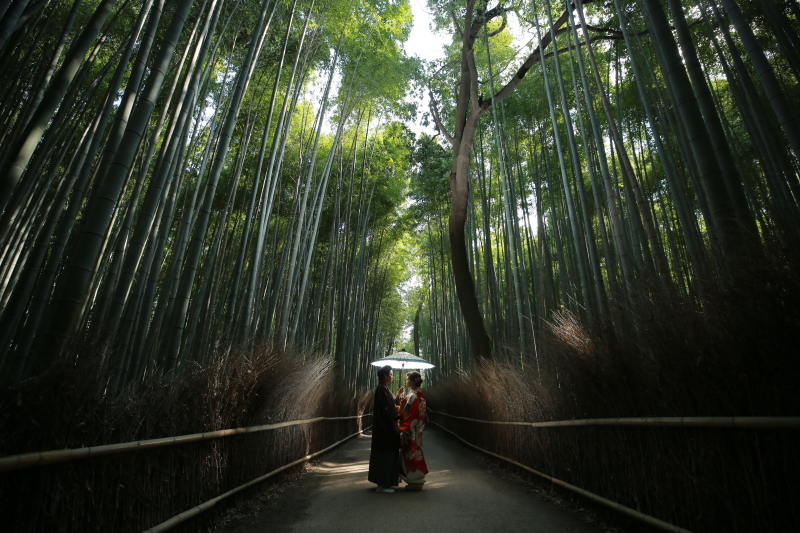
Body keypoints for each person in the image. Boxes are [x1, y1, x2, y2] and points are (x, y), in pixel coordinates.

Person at [368, 365, 404, 493]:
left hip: (386, 429)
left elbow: (392, 404)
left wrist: (398, 395)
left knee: (389, 455)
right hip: (385, 430)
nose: (392, 377)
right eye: (391, 374)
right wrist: (396, 426)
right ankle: (382, 485)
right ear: (385, 376)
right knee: (385, 455)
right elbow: (388, 410)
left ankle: (385, 483)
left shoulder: (384, 389)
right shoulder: (380, 390)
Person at [399, 370, 428, 490]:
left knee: (412, 453)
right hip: (416, 429)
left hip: (411, 430)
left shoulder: (414, 396)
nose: (406, 381)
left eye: (408, 379)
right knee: (414, 452)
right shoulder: (415, 395)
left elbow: (413, 415)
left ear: (412, 381)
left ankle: (415, 480)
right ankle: (415, 479)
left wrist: (405, 427)